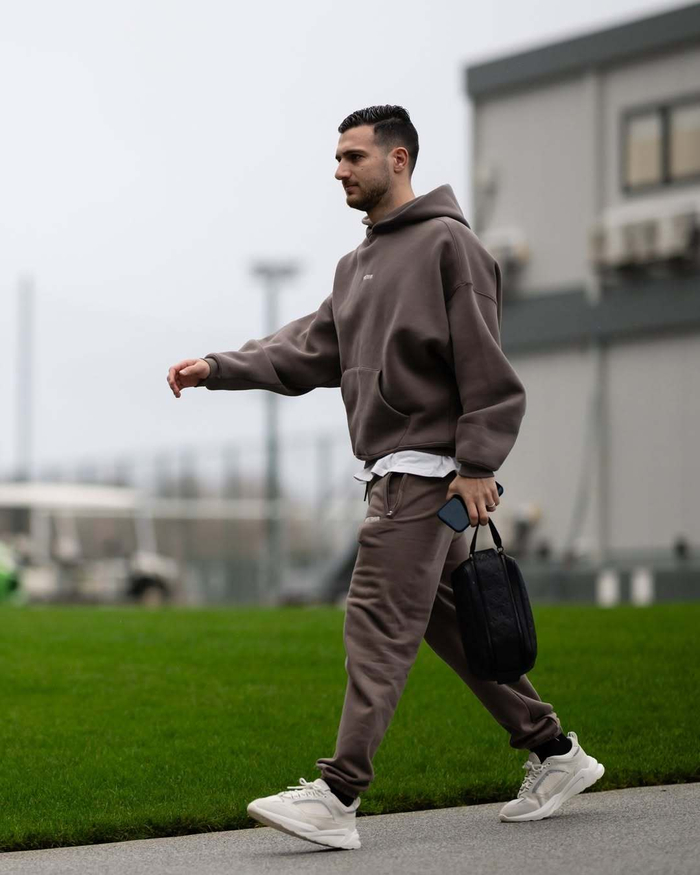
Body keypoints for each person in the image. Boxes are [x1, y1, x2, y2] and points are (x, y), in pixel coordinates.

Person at [166, 104, 604, 851]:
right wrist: (218, 367)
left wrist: (478, 464)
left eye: (353, 156)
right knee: (453, 622)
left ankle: (338, 795)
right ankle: (554, 751)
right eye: (337, 157)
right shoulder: (357, 266)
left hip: (425, 477)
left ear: (398, 159)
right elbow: (308, 347)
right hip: (396, 473)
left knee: (374, 620)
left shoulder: (450, 246)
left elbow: (486, 364)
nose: (339, 169)